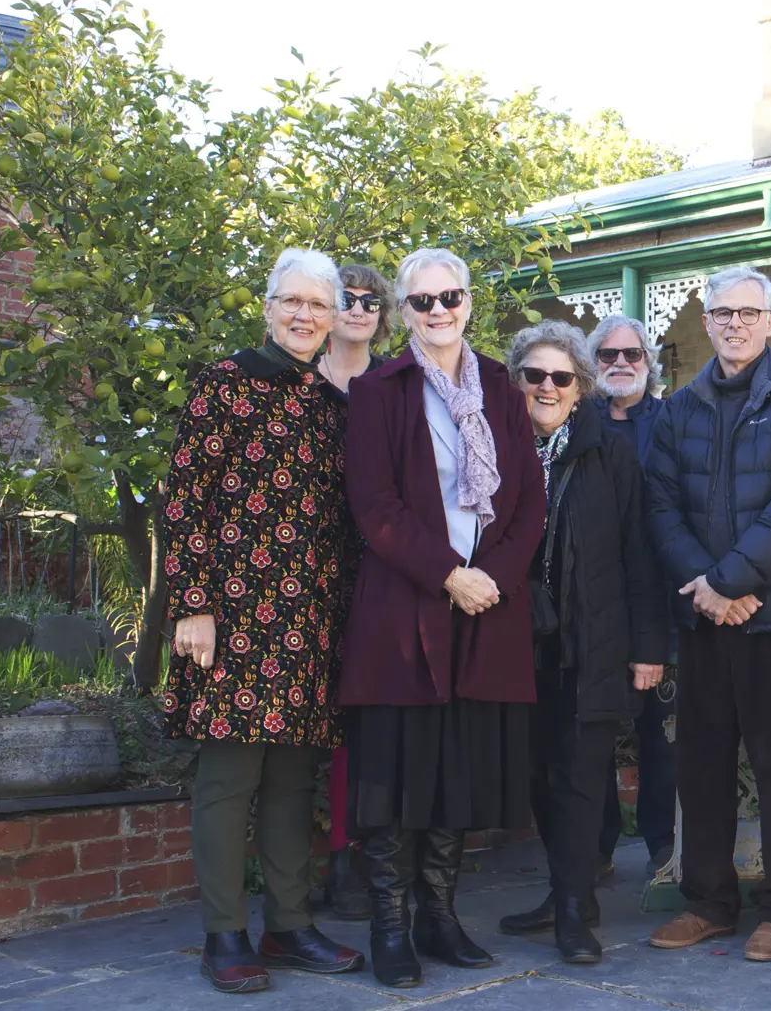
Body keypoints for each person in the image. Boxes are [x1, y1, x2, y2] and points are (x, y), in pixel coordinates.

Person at [341, 247, 548, 989]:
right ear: (403, 312)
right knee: (397, 774)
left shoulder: (500, 384)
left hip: (487, 608)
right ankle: (390, 926)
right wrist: (449, 576)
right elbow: (374, 507)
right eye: (422, 302)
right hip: (406, 610)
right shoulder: (379, 390)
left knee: (456, 768)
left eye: (449, 298)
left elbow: (528, 501)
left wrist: (492, 576)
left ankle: (440, 914)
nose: (438, 312)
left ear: (468, 302)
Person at [162, 248, 364, 993]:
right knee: (229, 779)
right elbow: (184, 500)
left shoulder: (332, 405)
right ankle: (224, 933)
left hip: (310, 623)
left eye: (318, 304)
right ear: (269, 306)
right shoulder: (224, 385)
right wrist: (195, 604)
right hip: (234, 619)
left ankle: (287, 925)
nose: (305, 315)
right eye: (293, 301)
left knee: (291, 780)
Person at [644, 265, 771, 963]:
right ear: (706, 322)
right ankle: (709, 903)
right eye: (722, 312)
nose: (735, 323)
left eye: (748, 312)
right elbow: (660, 508)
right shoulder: (678, 410)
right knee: (700, 766)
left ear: (770, 322)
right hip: (704, 621)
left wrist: (729, 580)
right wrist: (706, 587)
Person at [497, 320, 668, 965]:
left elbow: (639, 555)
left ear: (581, 386)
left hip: (591, 640)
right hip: (515, 642)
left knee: (578, 773)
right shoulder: (496, 446)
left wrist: (648, 647)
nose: (547, 386)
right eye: (534, 375)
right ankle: (565, 891)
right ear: (517, 382)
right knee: (538, 773)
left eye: (560, 377)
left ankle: (574, 911)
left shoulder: (609, 452)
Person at [591, 314, 678, 878]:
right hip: (593, 603)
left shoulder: (672, 423)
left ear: (649, 363)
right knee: (589, 736)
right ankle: (592, 853)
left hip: (663, 603)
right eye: (607, 355)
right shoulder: (573, 421)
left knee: (662, 739)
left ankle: (663, 852)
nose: (620, 364)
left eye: (632, 354)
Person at [320, 262, 392, 922]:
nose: (360, 307)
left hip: (381, 568)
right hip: (306, 570)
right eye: (348, 297)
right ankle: (318, 856)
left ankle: (357, 857)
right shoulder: (300, 381)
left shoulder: (395, 383)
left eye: (373, 300)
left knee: (364, 720)